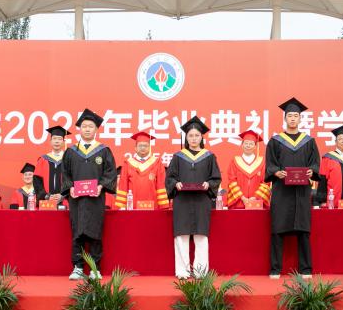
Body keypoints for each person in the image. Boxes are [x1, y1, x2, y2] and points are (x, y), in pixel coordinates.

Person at [265, 98, 320, 279]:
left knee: (303, 230)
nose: (293, 118)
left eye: (296, 116)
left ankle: (306, 269)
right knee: (278, 229)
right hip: (282, 191)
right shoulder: (275, 141)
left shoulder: (309, 141)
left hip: (302, 191)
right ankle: (275, 269)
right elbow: (270, 164)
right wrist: (276, 172)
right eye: (290, 116)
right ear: (285, 118)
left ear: (300, 118)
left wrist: (312, 171)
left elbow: (315, 163)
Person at [61, 108, 117, 280]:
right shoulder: (71, 151)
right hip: (76, 199)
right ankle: (77, 267)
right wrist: (70, 187)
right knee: (77, 232)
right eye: (84, 126)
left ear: (96, 129)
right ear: (79, 129)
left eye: (90, 126)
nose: (87, 129)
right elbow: (65, 173)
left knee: (95, 232)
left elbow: (110, 172)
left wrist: (101, 186)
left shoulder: (103, 150)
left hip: (95, 199)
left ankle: (94, 268)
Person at [165, 117, 222, 278]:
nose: (194, 138)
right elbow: (170, 177)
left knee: (201, 236)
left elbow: (216, 178)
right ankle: (182, 271)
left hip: (201, 201)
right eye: (191, 135)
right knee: (181, 236)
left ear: (202, 137)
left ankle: (200, 271)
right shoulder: (178, 156)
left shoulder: (209, 156)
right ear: (186, 138)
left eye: (197, 135)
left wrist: (208, 184)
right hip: (182, 200)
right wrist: (175, 184)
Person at [114, 130, 169, 210]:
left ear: (149, 148)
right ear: (135, 148)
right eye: (140, 146)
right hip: (132, 205)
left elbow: (161, 185)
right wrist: (122, 206)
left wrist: (163, 206)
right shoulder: (128, 163)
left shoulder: (157, 163)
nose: (143, 148)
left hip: (153, 205)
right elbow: (123, 185)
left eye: (146, 146)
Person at [315, 125, 343, 207]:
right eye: (340, 139)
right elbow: (322, 181)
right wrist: (322, 200)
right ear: (336, 142)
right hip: (333, 202)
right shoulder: (328, 158)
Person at [225, 129, 271, 209]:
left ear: (255, 146)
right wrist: (243, 198)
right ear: (242, 145)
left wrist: (255, 197)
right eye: (246, 143)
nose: (248, 146)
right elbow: (232, 181)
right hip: (239, 202)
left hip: (257, 203)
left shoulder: (262, 162)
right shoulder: (235, 161)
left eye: (251, 144)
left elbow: (266, 182)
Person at [34, 125, 68, 210]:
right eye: (54, 139)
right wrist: (46, 196)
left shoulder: (68, 159)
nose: (57, 141)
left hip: (65, 201)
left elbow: (73, 179)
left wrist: (63, 195)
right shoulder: (43, 159)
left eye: (59, 139)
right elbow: (37, 181)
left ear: (64, 142)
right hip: (47, 202)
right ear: (50, 141)